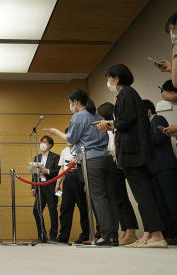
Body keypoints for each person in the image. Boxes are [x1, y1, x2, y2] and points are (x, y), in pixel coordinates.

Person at [96, 64, 167, 248]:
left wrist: (109, 123)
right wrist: (112, 124)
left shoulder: (126, 94)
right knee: (143, 194)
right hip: (135, 151)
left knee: (143, 194)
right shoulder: (129, 94)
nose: (108, 82)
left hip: (132, 152)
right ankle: (151, 233)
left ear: (116, 78)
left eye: (108, 78)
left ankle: (157, 235)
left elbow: (125, 121)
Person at [46, 89, 119, 246]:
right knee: (110, 197)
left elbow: (71, 138)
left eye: (70, 102)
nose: (70, 105)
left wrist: (56, 132)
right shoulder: (98, 116)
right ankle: (113, 235)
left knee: (98, 197)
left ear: (76, 102)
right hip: (106, 159)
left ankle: (105, 235)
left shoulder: (78, 116)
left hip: (91, 160)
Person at [97, 102, 139, 245]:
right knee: (117, 201)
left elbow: (115, 150)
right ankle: (125, 231)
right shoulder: (107, 132)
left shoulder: (114, 130)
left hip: (119, 166)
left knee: (122, 200)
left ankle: (131, 231)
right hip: (113, 167)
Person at [143, 99, 177, 242]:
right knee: (161, 204)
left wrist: (142, 135)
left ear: (148, 110)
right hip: (154, 169)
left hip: (165, 167)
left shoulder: (157, 119)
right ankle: (170, 234)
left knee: (172, 201)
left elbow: (158, 138)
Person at [55, 129, 89, 244]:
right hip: (68, 179)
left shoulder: (82, 148)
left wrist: (86, 183)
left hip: (79, 178)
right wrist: (58, 183)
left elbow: (86, 166)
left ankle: (85, 235)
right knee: (65, 208)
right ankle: (63, 236)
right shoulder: (64, 150)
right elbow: (61, 168)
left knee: (83, 208)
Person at [31, 135, 60, 242]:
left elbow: (59, 171)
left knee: (52, 211)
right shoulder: (36, 157)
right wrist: (33, 186)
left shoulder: (56, 157)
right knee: (36, 210)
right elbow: (34, 173)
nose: (42, 144)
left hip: (52, 188)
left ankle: (53, 236)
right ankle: (42, 235)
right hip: (39, 188)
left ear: (50, 145)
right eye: (41, 141)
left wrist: (47, 171)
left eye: (45, 142)